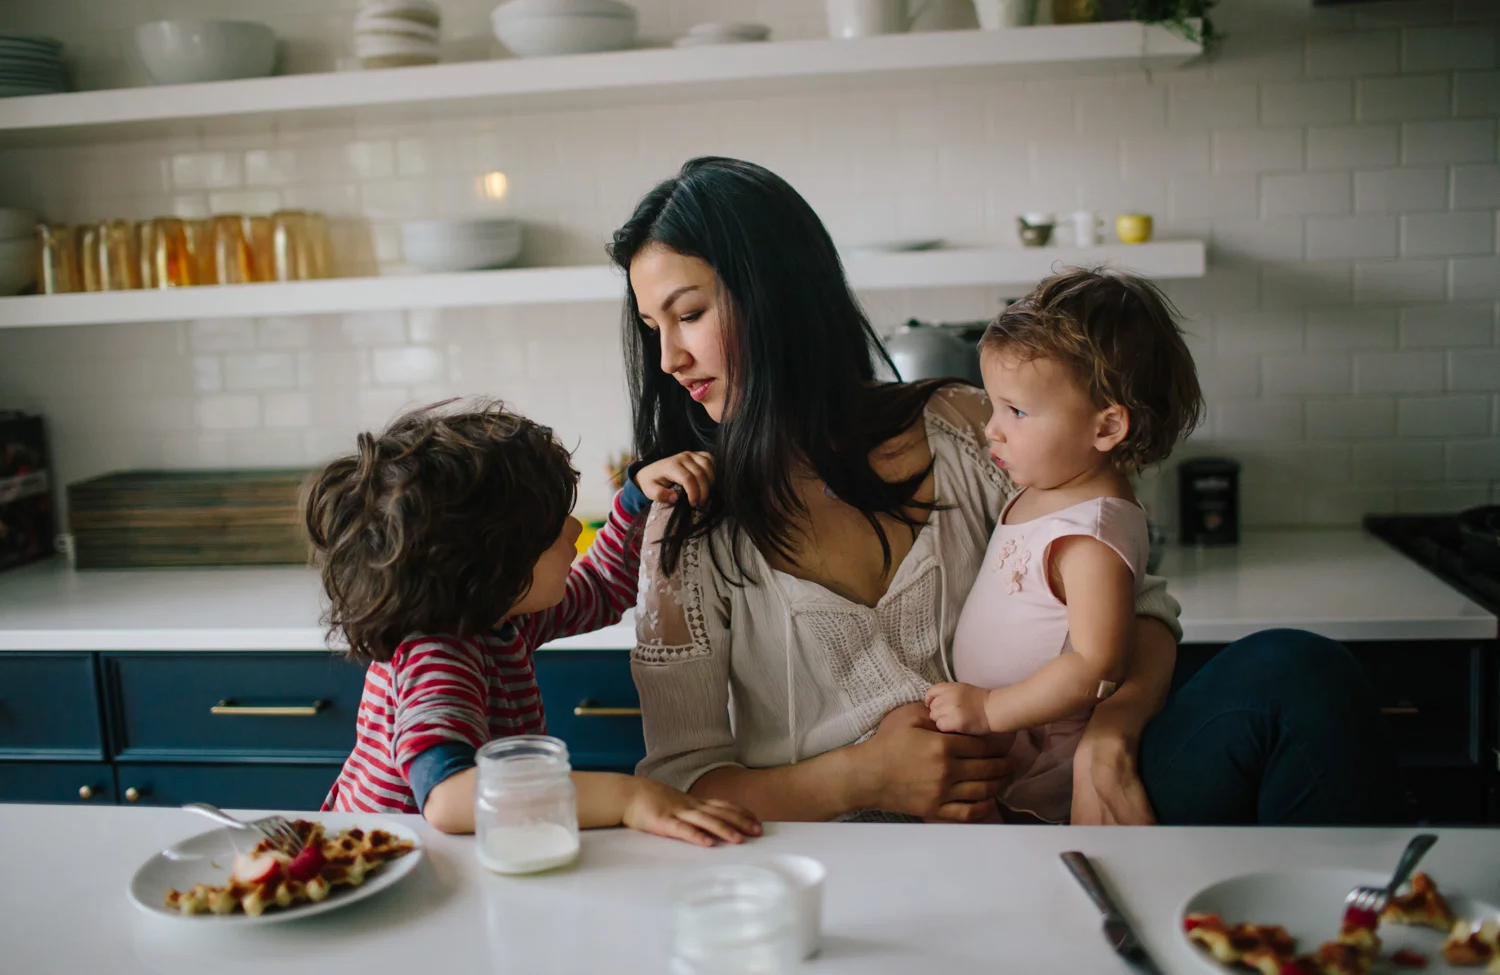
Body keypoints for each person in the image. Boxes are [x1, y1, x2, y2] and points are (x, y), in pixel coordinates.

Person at [613, 156, 1405, 825]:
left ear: (778, 295)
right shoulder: (691, 527)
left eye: (688, 315)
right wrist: (861, 778)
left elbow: (1141, 608)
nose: (672, 360)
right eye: (655, 330)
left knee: (1299, 671)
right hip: (858, 877)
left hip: (1060, 811)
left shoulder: (965, 431)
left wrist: (1113, 732)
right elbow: (678, 786)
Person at [306, 398, 761, 845]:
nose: (575, 530)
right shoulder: (437, 653)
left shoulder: (498, 618)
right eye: (550, 527)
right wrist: (628, 796)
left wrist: (637, 496)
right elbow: (449, 797)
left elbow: (603, 586)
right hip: (381, 865)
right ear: (489, 564)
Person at [924, 269, 1203, 825]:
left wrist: (989, 708)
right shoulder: (1049, 487)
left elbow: (1097, 665)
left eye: (1018, 412)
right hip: (1012, 745)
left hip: (1051, 766)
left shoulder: (1090, 532)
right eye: (995, 406)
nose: (993, 431)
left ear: (1107, 427)